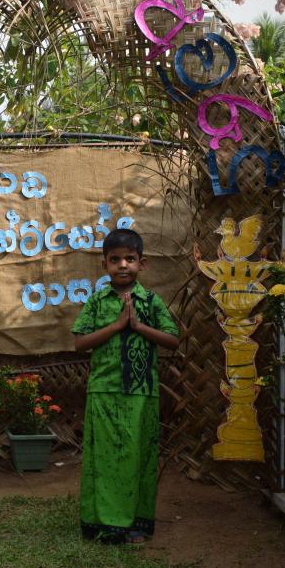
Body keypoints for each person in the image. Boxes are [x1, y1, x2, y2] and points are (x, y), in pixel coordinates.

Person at [71, 228, 181, 544]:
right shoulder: (97, 301)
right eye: (115, 259)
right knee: (105, 458)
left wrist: (138, 326)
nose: (123, 265)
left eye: (130, 259)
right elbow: (80, 342)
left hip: (142, 392)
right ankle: (106, 525)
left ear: (141, 264)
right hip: (104, 389)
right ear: (104, 264)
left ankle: (135, 523)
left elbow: (173, 340)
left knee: (138, 456)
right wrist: (118, 325)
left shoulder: (151, 302)